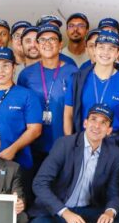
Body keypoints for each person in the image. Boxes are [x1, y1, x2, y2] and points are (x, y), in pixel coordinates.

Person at [0, 48, 42, 201]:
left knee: (17, 209)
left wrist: (12, 149)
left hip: (18, 164)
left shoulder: (27, 95)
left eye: (6, 65)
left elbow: (35, 129)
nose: (0, 70)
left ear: (14, 68)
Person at [65, 30, 119, 154]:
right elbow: (68, 114)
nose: (105, 52)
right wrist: (71, 144)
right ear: (95, 50)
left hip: (114, 146)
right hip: (83, 144)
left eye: (111, 48)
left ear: (118, 53)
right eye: (101, 47)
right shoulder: (78, 79)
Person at [17, 24, 79, 169]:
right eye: (43, 40)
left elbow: (78, 109)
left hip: (64, 143)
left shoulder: (73, 72)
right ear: (38, 45)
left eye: (52, 39)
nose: (47, 43)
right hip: (34, 145)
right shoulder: (26, 74)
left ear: (60, 44)